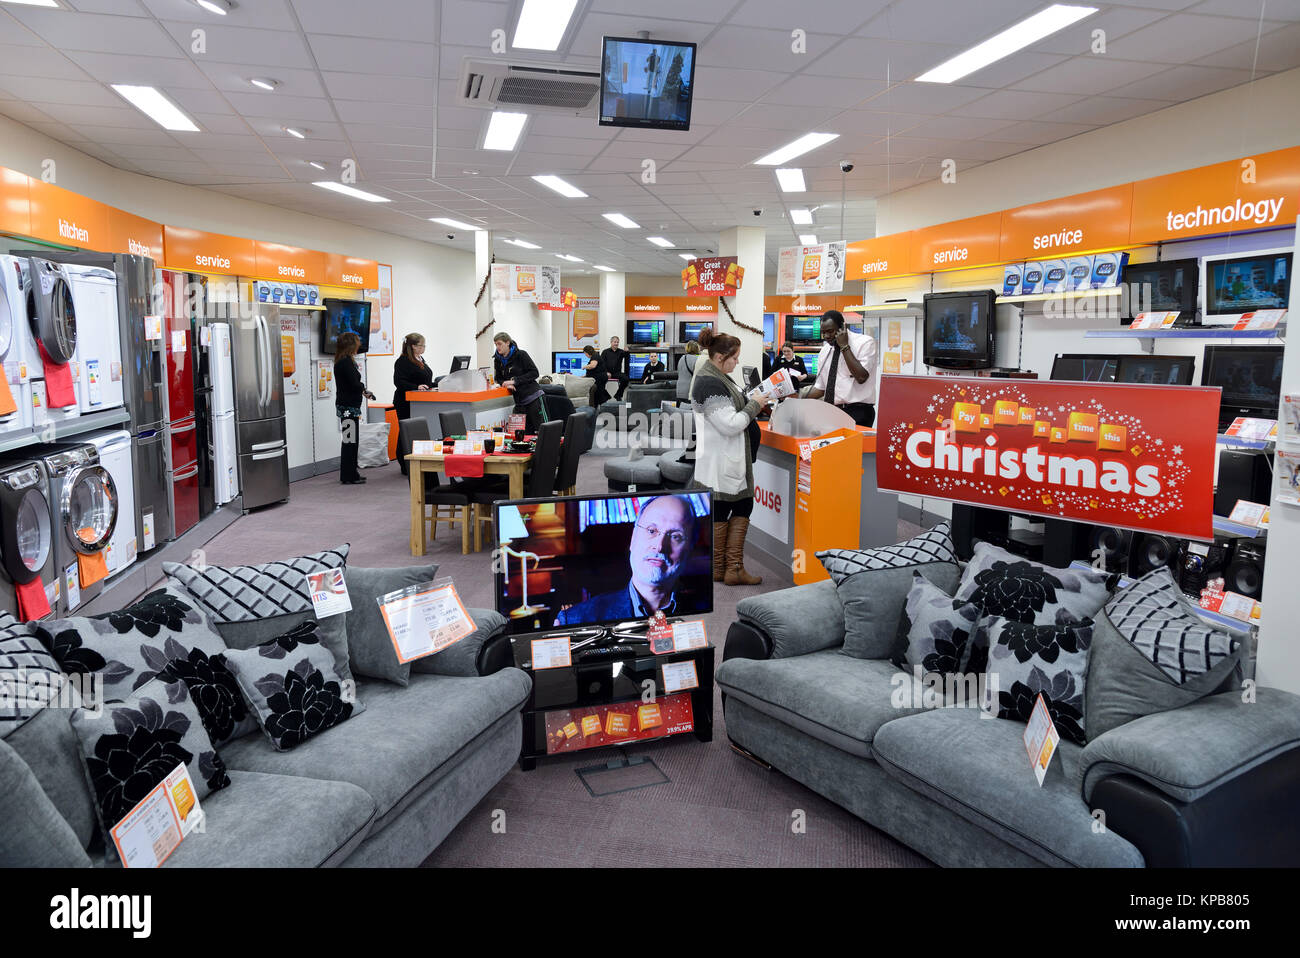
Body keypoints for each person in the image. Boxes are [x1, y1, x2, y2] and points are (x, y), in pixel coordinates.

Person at [690, 328, 773, 586]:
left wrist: (751, 399)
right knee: (737, 505)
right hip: (723, 458)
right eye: (734, 358)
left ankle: (721, 567)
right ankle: (732, 568)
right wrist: (755, 404)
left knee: (727, 507)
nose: (737, 362)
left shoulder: (716, 376)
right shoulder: (711, 382)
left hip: (721, 458)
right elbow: (729, 424)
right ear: (720, 357)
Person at [553, 495, 700, 626]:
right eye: (651, 531)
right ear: (633, 539)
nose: (659, 546)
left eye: (675, 536)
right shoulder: (575, 620)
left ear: (690, 549)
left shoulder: (706, 615)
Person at [804, 309, 878, 427]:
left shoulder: (865, 343)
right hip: (832, 412)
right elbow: (821, 388)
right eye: (823, 333)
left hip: (858, 412)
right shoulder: (825, 351)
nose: (827, 336)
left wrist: (844, 346)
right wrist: (798, 397)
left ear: (842, 327)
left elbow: (861, 376)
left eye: (830, 331)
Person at [334, 332, 375, 485]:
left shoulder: (343, 361)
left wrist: (362, 390)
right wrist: (363, 388)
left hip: (349, 407)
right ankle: (348, 475)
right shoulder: (345, 362)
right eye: (356, 344)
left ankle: (351, 472)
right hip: (348, 408)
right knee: (350, 441)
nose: (359, 346)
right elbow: (354, 383)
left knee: (350, 440)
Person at [492, 331, 546, 434]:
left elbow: (534, 373)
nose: (497, 347)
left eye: (499, 344)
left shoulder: (521, 354)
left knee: (542, 431)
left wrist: (515, 381)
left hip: (534, 397)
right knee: (520, 434)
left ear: (507, 342)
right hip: (519, 402)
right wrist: (505, 384)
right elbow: (498, 378)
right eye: (496, 344)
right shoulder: (498, 360)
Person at [392, 332, 433, 421]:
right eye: (422, 345)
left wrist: (439, 384)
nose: (424, 347)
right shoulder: (403, 361)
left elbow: (424, 380)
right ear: (413, 346)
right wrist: (416, 387)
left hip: (419, 401)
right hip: (405, 402)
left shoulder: (420, 359)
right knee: (407, 430)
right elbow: (399, 382)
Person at [601, 336, 631, 400]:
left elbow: (627, 359)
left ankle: (618, 395)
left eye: (617, 342)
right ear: (611, 342)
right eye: (615, 342)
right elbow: (601, 364)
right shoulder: (605, 352)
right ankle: (606, 396)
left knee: (626, 379)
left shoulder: (621, 352)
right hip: (607, 373)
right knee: (598, 380)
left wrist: (627, 352)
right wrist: (606, 372)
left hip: (617, 373)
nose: (616, 343)